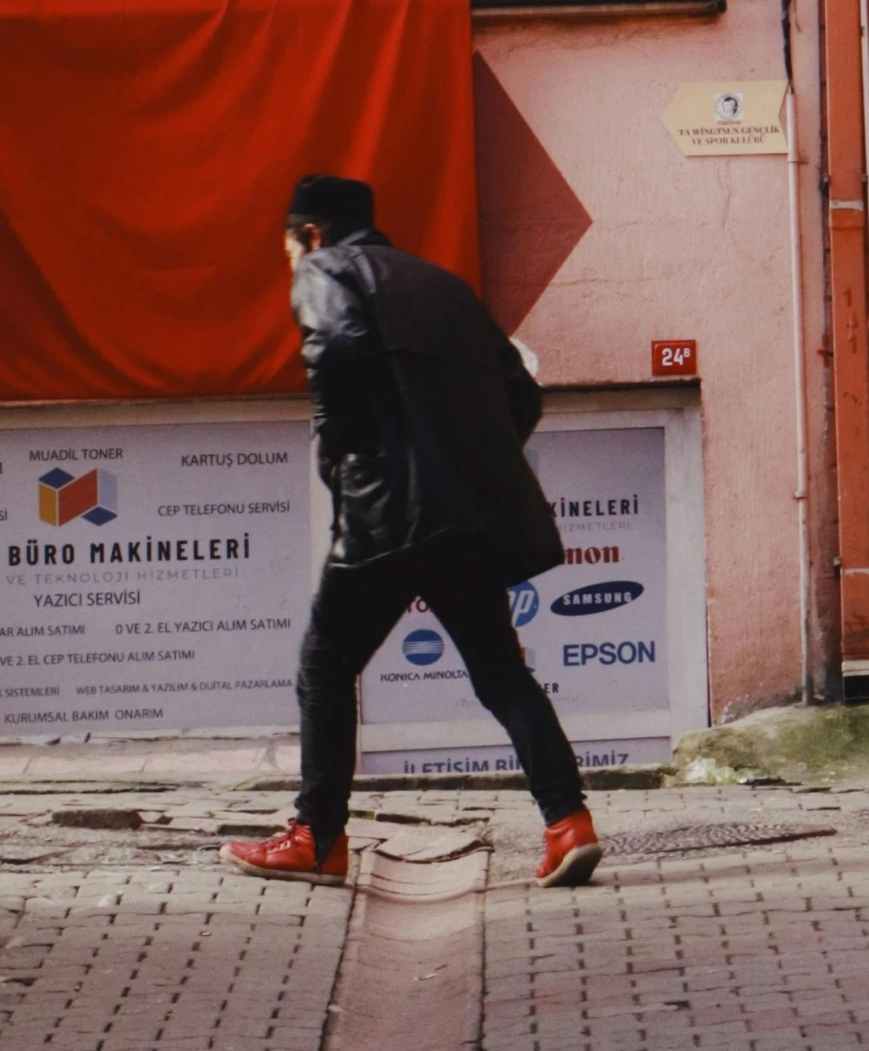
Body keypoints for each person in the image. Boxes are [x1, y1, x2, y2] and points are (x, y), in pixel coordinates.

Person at [222, 173, 601, 890]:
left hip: (386, 516)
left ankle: (316, 838)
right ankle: (567, 823)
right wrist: (468, 464)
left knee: (325, 665)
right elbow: (519, 391)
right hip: (465, 519)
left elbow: (333, 347)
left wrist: (341, 452)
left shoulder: (327, 269)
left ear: (309, 234)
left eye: (288, 249)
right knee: (499, 673)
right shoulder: (444, 288)